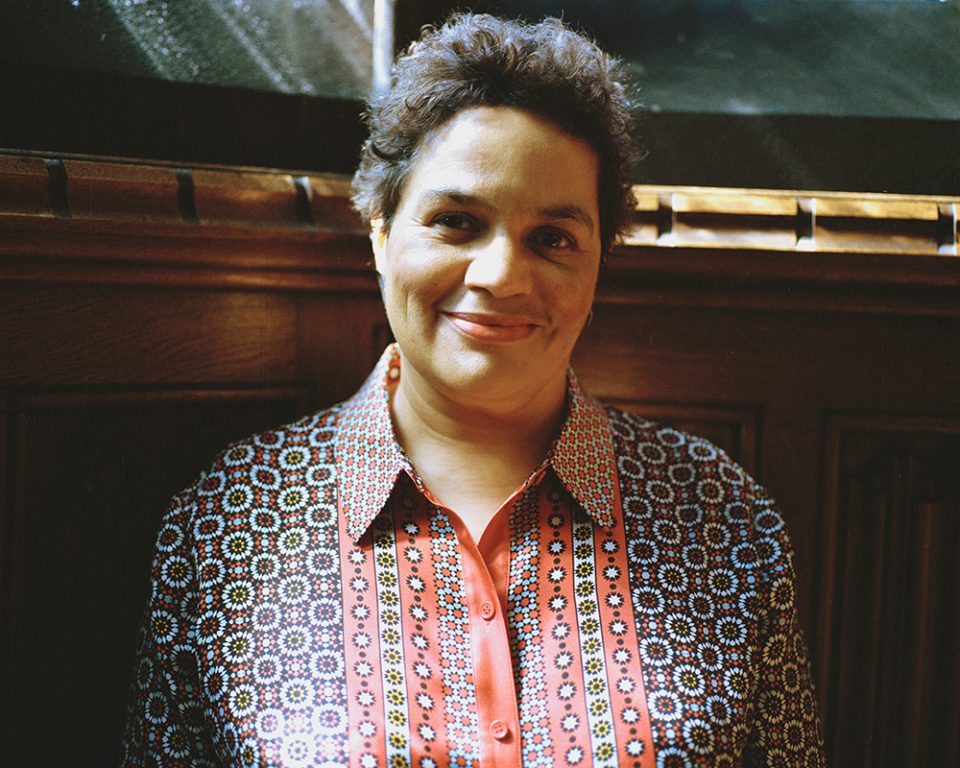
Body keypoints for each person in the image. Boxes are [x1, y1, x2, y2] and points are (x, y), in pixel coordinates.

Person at [120, 13, 824, 768]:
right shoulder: (230, 521)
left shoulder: (722, 520)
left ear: (599, 262)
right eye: (456, 221)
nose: (500, 277)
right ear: (380, 232)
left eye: (552, 238)